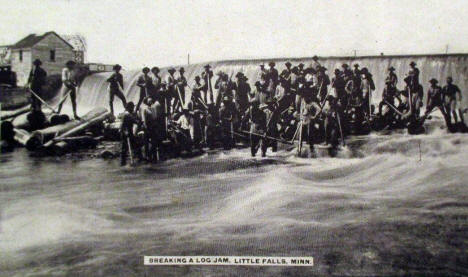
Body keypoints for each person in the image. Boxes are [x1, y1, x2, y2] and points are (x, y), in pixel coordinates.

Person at [120, 102, 140, 166]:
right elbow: (135, 121)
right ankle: (136, 160)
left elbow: (121, 125)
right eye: (132, 107)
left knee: (124, 149)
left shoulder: (124, 114)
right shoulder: (128, 115)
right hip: (128, 134)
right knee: (135, 146)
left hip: (125, 133)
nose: (133, 109)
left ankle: (123, 163)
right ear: (129, 107)